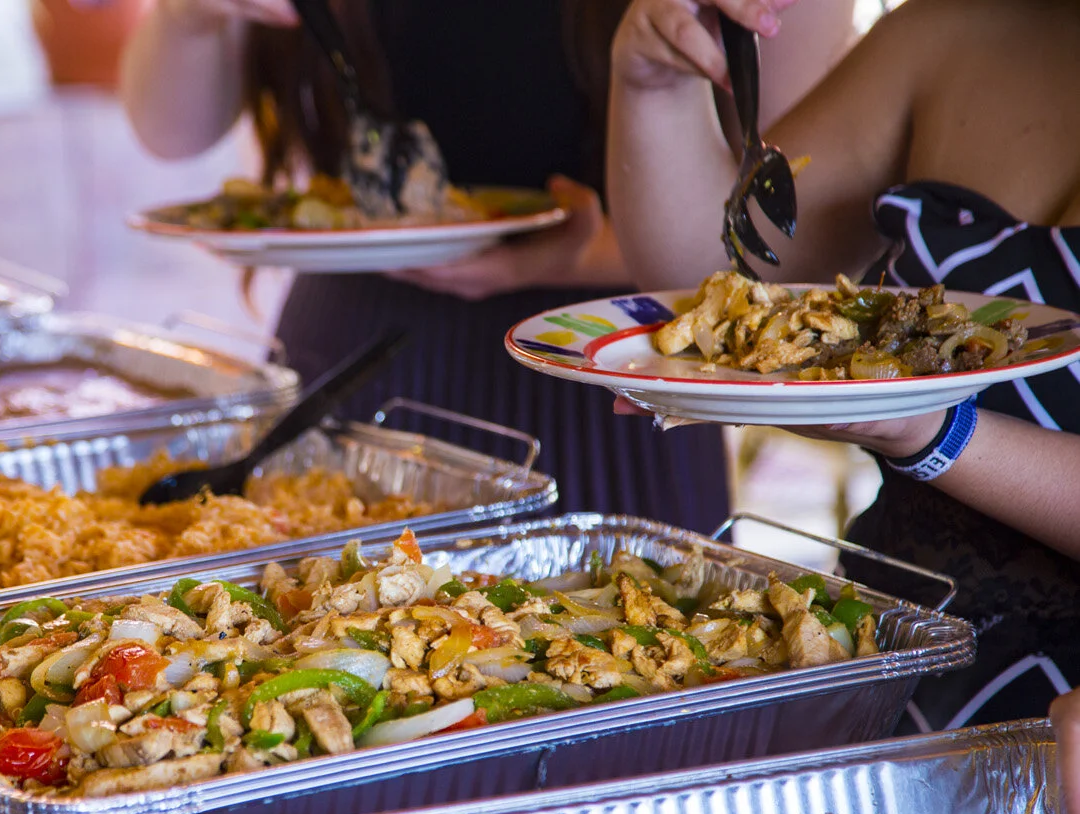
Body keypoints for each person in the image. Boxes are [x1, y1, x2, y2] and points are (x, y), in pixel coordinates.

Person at [119, 0, 857, 533]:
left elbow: (792, 227)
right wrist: (191, 13)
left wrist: (588, 253)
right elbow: (171, 132)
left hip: (604, 364)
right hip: (351, 353)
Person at [607, 0, 1080, 729]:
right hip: (881, 668)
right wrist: (655, 84)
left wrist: (937, 434)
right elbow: (710, 281)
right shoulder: (947, 32)